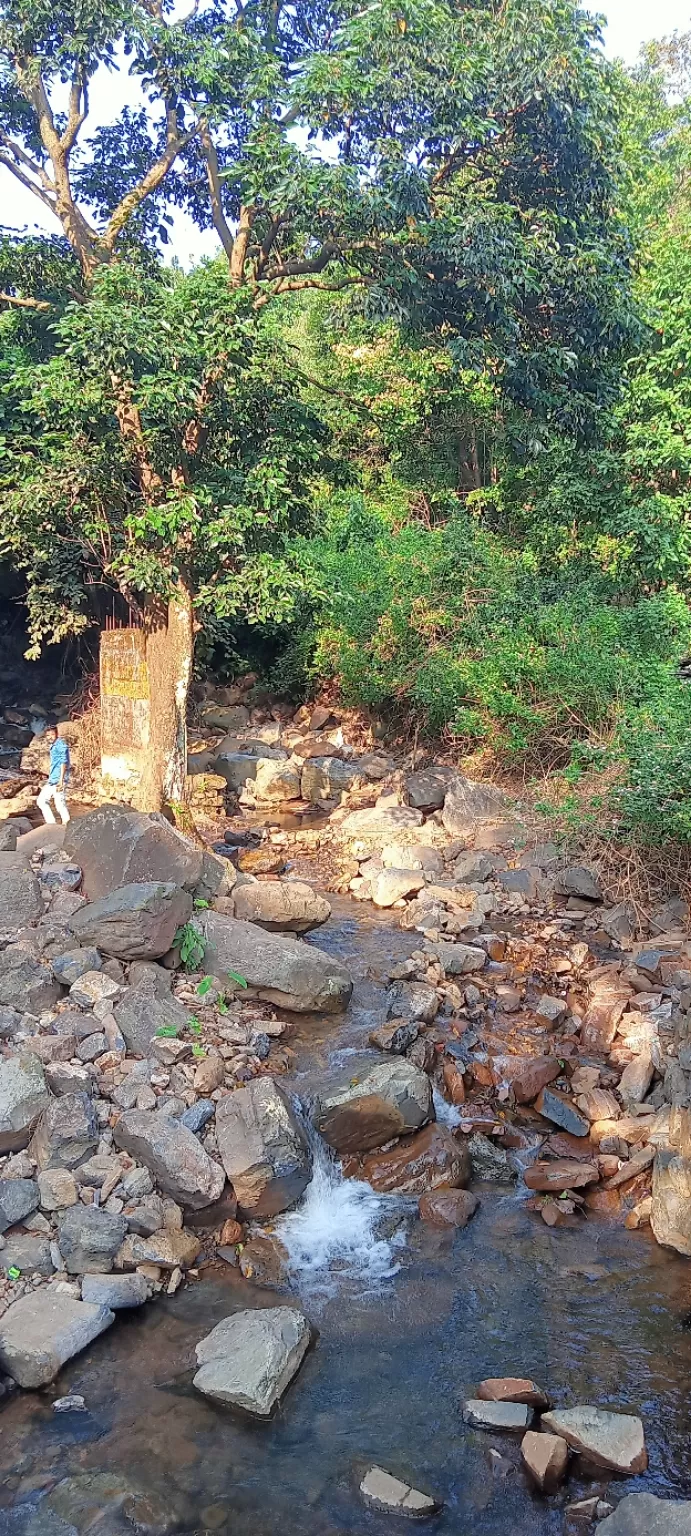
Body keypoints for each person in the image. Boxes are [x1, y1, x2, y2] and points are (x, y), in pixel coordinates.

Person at [36, 726, 71, 825]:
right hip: (53, 779)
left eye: (52, 734)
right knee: (41, 801)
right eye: (48, 735)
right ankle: (51, 823)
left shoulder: (60, 745)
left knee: (60, 803)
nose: (50, 737)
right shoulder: (54, 745)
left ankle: (67, 824)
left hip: (59, 779)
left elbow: (63, 763)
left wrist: (61, 780)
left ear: (57, 734)